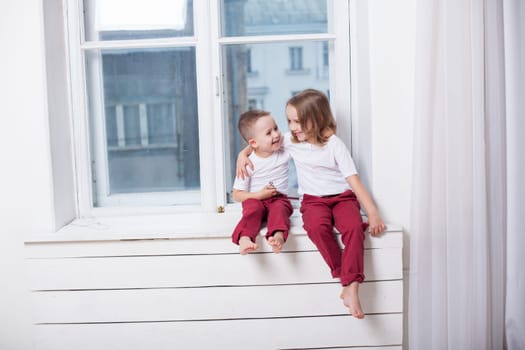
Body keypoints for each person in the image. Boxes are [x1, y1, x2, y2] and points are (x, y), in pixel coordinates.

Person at [237, 89, 385, 318]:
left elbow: (354, 181)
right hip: (313, 202)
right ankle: (343, 275)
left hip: (343, 198)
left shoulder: (334, 144)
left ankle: (352, 285)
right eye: (289, 121)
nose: (291, 127)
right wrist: (243, 153)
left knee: (355, 229)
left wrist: (373, 213)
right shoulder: (291, 141)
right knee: (316, 228)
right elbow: (261, 142)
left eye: (297, 121)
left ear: (315, 120)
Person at [231, 109, 293, 255]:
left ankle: (277, 236)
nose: (276, 134)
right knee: (252, 210)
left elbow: (299, 135)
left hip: (278, 199)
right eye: (268, 133)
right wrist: (259, 195)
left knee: (280, 209)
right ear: (253, 142)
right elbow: (237, 195)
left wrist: (243, 151)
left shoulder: (284, 147)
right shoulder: (248, 163)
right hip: (255, 199)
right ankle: (245, 238)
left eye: (276, 128)